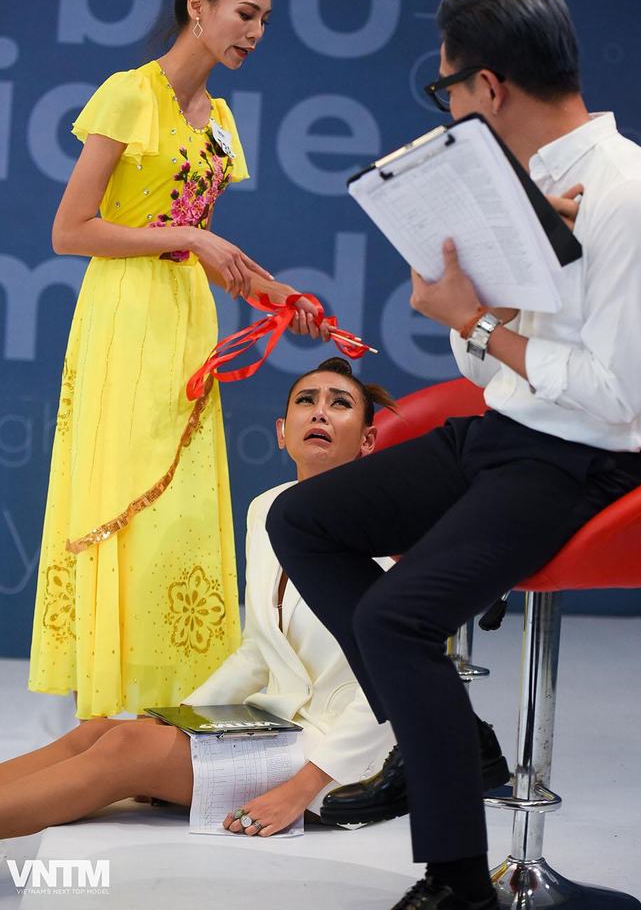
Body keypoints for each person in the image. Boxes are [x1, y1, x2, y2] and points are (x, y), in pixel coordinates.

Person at [265, 0, 641, 910]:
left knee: (395, 620)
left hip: (584, 459)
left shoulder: (634, 198)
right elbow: (494, 356)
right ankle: (453, 744)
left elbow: (616, 396)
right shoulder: (525, 186)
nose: (452, 110)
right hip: (508, 432)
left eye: (449, 90)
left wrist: (478, 321)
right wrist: (474, 311)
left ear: (489, 88)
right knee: (301, 520)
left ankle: (458, 882)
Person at [28, 0, 327, 720]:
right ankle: (103, 704)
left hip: (187, 321)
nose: (255, 33)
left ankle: (167, 699)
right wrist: (187, 236)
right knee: (124, 492)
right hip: (124, 317)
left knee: (178, 510)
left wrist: (278, 297)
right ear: (198, 6)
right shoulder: (129, 94)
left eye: (265, 21)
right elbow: (70, 231)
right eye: (245, 14)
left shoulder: (220, 121)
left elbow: (210, 250)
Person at [1, 358, 397, 839]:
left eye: (340, 404)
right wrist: (181, 719)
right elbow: (258, 651)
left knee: (126, 749)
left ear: (368, 440)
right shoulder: (267, 510)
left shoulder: (388, 535)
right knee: (99, 731)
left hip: (342, 762)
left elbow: (396, 684)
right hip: (275, 723)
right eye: (306, 400)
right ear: (281, 432)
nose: (319, 412)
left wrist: (300, 789)